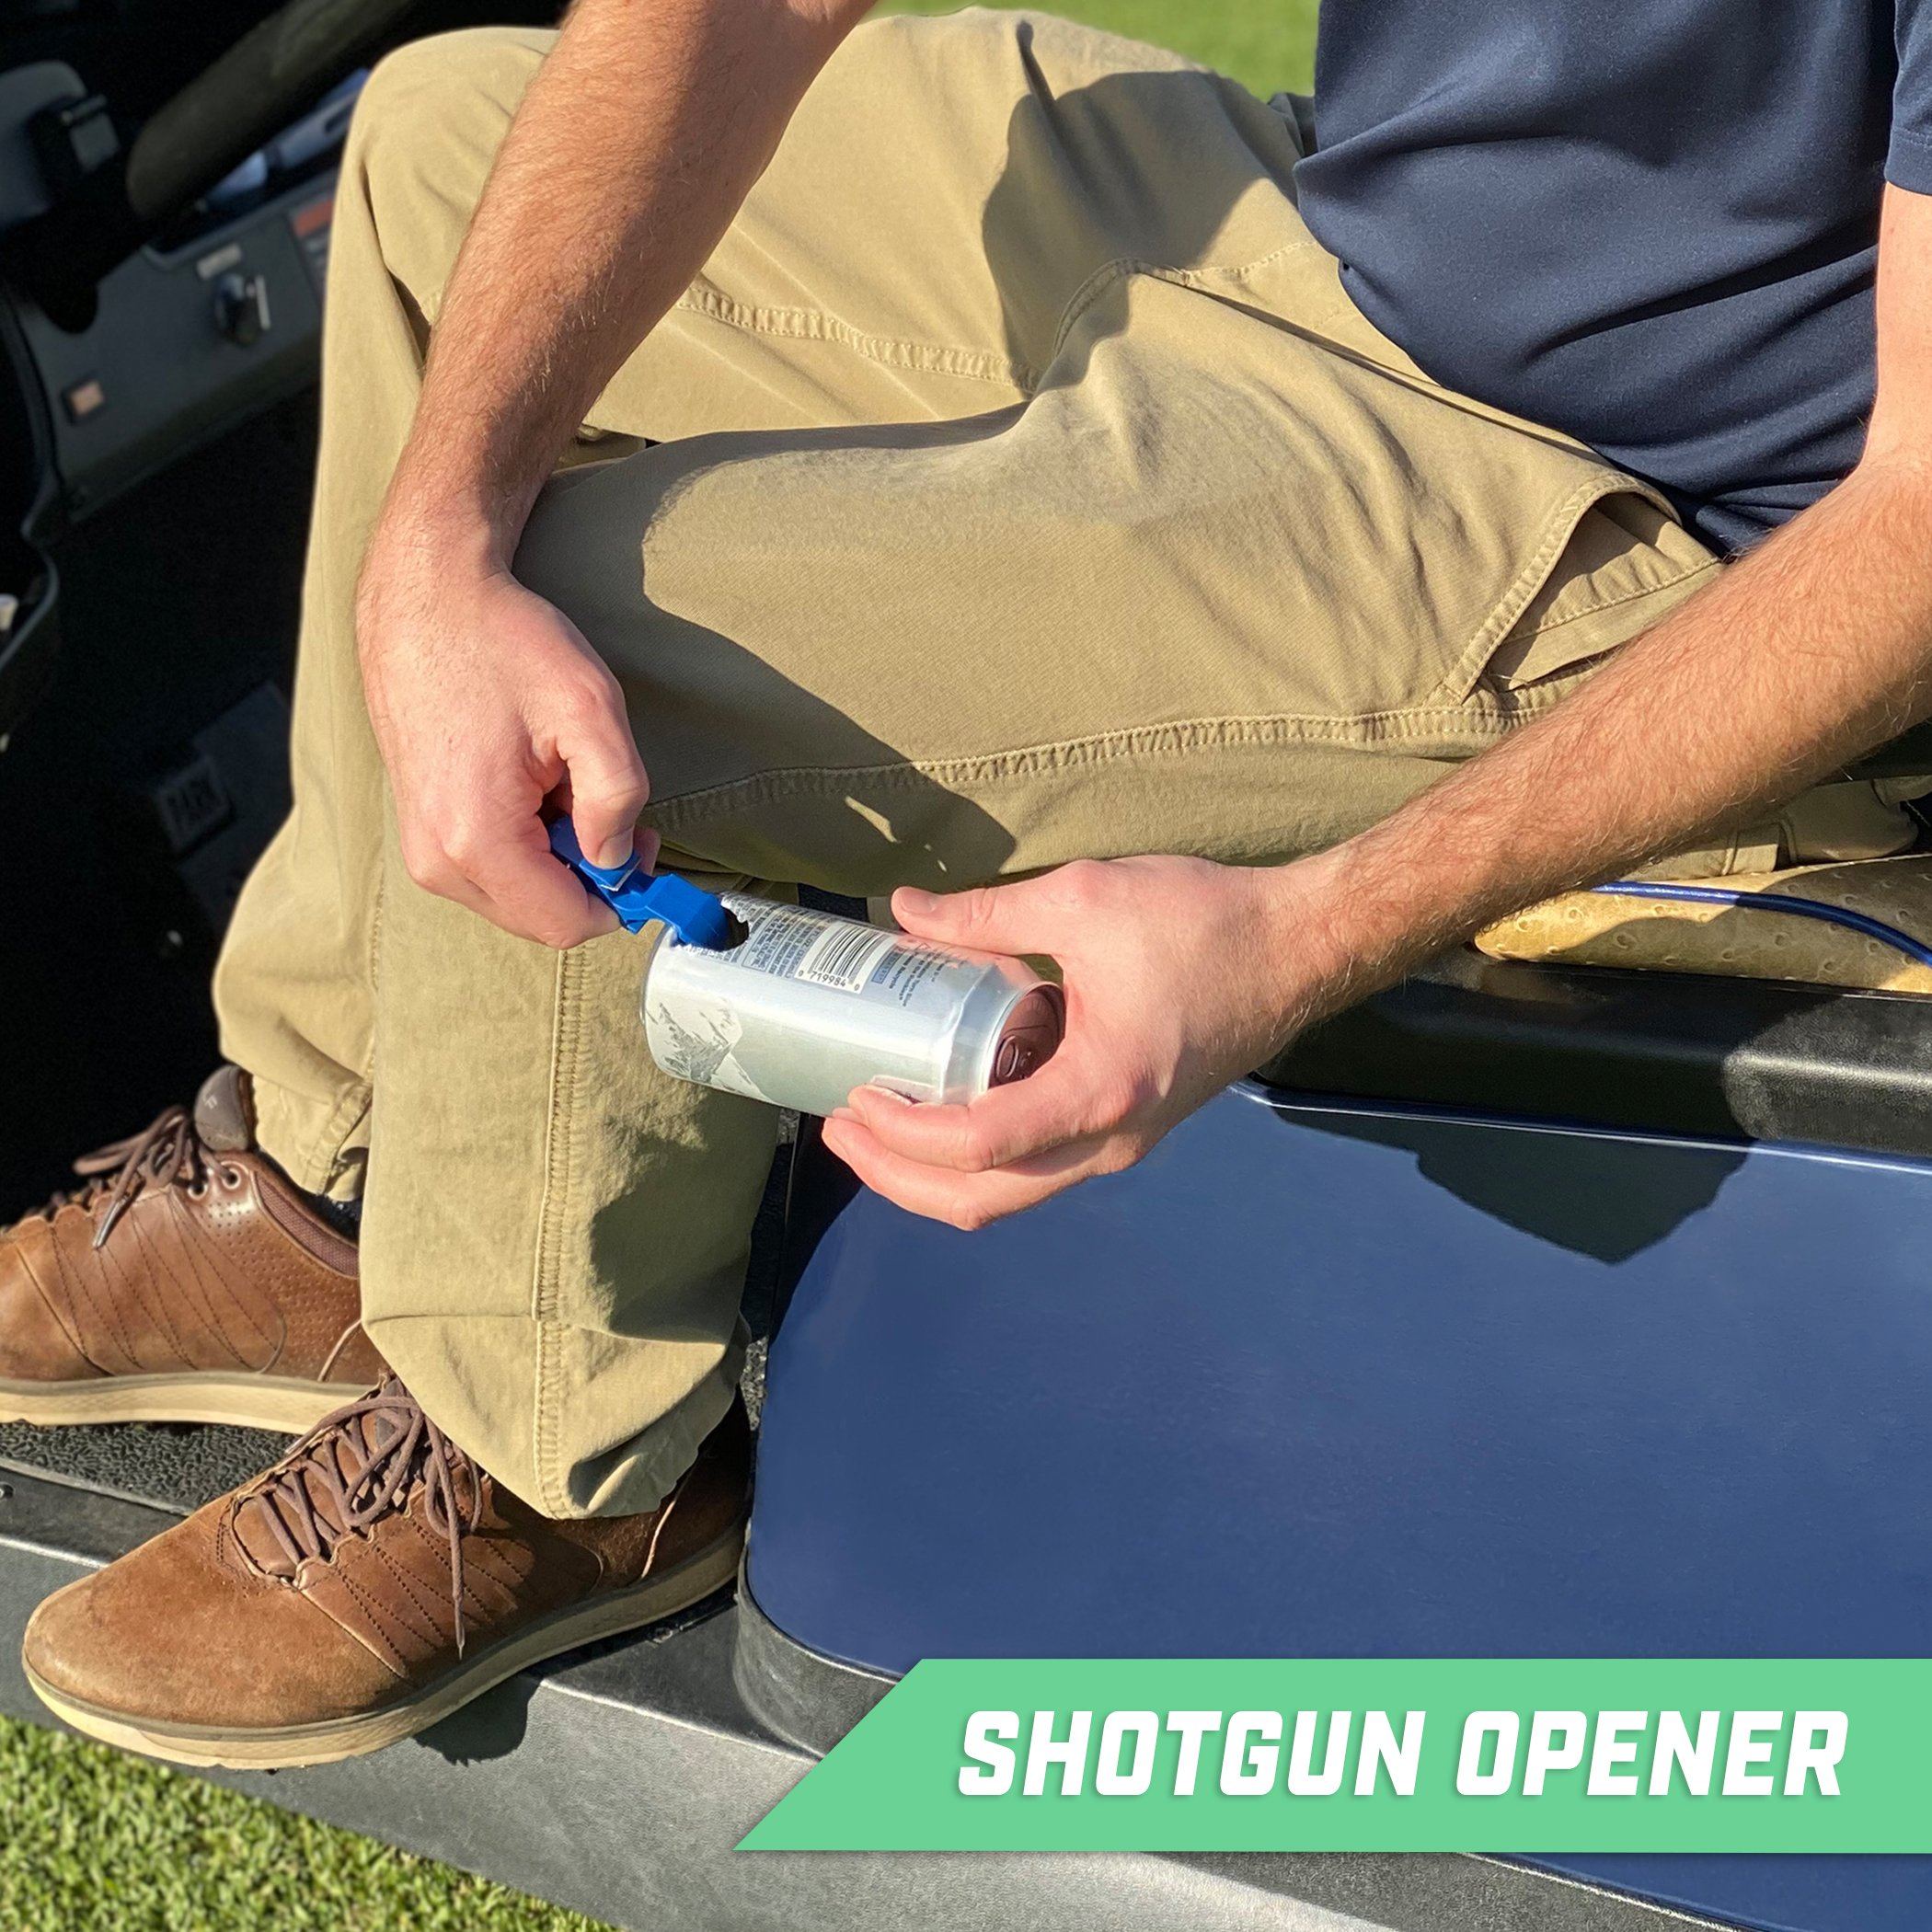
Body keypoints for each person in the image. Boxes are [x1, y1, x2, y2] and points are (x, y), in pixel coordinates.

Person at [6, 0, 1932, 1765]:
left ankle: (555, 1446)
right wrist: (435, 531)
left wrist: (1306, 930)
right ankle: (335, 1186)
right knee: (444, 144)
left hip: (1668, 524)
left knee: (595, 638)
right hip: (1371, 245)